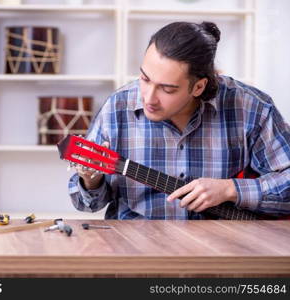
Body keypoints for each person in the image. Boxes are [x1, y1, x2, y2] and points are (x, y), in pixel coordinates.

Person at [67, 21, 290, 220]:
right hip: (137, 249)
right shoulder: (116, 109)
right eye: (145, 78)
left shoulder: (251, 108)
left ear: (199, 86)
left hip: (225, 249)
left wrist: (230, 189)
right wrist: (91, 180)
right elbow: (87, 203)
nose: (148, 97)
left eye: (167, 89)